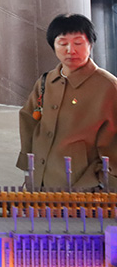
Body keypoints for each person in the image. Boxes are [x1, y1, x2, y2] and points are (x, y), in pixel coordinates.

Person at [17, 13, 117, 190]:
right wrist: (28, 165)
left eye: (78, 43)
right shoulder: (46, 81)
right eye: (63, 44)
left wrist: (106, 180)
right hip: (40, 178)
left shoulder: (108, 87)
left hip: (84, 186)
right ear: (53, 46)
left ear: (90, 44)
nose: (70, 50)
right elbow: (29, 119)